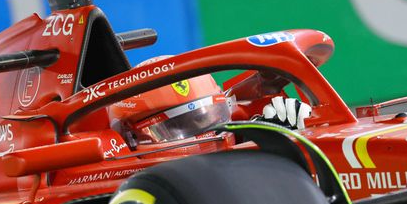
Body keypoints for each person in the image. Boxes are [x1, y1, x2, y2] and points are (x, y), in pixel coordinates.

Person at [108, 57, 311, 147]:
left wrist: (293, 139)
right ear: (132, 136)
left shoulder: (248, 144)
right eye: (178, 126)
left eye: (206, 118)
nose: (205, 137)